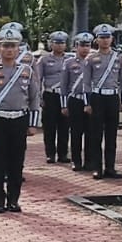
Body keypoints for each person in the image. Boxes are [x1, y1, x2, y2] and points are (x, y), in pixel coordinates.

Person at [0, 26, 42, 213]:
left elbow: (34, 98)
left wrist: (33, 124)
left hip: (19, 120)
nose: (9, 50)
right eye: (5, 46)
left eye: (13, 46)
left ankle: (14, 199)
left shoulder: (26, 71)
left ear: (19, 48)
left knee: (16, 162)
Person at [85, 23, 122, 180]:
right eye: (102, 37)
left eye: (107, 37)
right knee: (96, 135)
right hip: (97, 97)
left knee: (111, 135)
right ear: (97, 40)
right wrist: (87, 103)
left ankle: (110, 167)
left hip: (112, 98)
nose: (104, 40)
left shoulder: (119, 58)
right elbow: (86, 83)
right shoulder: (91, 58)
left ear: (112, 39)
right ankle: (97, 168)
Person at [36, 31, 71, 164]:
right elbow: (38, 79)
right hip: (50, 95)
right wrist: (39, 97)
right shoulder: (44, 60)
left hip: (65, 96)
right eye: (56, 43)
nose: (59, 45)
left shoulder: (70, 59)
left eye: (62, 43)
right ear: (51, 44)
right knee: (49, 126)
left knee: (64, 126)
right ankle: (50, 154)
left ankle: (63, 154)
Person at [61, 32, 93, 172]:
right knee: (76, 132)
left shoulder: (94, 61)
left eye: (87, 45)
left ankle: (89, 161)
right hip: (75, 100)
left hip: (91, 101)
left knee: (91, 132)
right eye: (82, 45)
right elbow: (64, 85)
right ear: (76, 46)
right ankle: (76, 160)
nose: (85, 48)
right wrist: (64, 105)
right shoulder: (69, 63)